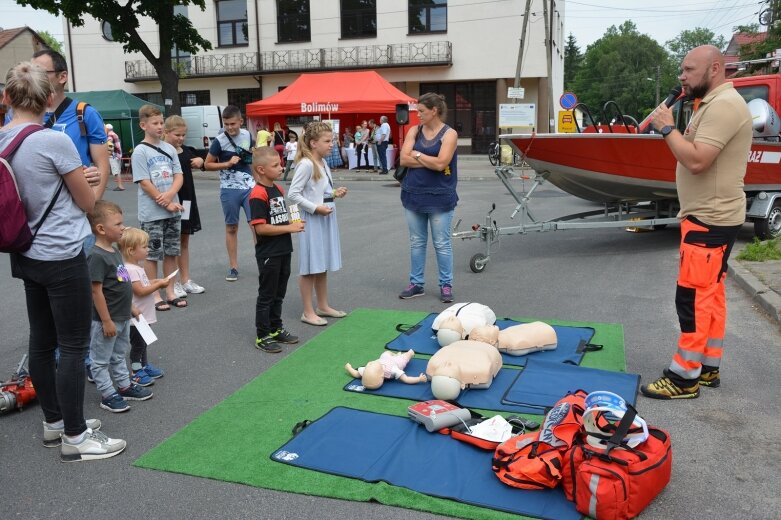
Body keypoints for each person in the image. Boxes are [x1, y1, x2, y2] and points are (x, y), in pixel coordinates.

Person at [2, 61, 125, 462]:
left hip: (25, 251)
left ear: (8, 97)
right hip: (62, 252)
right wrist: (89, 182)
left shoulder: (4, 137)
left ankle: (55, 422)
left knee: (42, 341)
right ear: (48, 97)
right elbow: (88, 204)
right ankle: (75, 436)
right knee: (73, 346)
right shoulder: (53, 140)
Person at [642, 45, 753, 400]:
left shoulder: (722, 106)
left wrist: (665, 128)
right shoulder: (709, 103)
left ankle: (684, 376)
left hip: (710, 218)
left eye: (689, 70)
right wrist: (672, 128)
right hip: (712, 215)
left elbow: (698, 161)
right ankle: (707, 365)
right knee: (710, 295)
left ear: (715, 69)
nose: (682, 77)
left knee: (691, 298)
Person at [87, 200, 153, 412]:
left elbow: (123, 280)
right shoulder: (96, 256)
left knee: (118, 354)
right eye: (118, 224)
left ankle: (124, 386)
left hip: (123, 316)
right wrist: (106, 320)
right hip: (107, 319)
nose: (123, 227)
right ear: (101, 229)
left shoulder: (115, 252)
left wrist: (132, 307)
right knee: (100, 360)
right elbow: (96, 290)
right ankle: (108, 394)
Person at [398, 92, 458, 303]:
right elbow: (404, 159)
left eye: (421, 111)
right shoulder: (414, 130)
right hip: (413, 194)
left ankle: (446, 285)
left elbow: (442, 164)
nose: (417, 115)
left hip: (440, 196)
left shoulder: (449, 134)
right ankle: (416, 283)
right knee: (417, 242)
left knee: (442, 243)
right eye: (416, 111)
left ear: (434, 111)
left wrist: (417, 154)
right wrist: (427, 159)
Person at [288, 122, 349, 326]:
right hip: (311, 220)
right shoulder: (306, 164)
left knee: (320, 263)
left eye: (331, 140)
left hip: (324, 217)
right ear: (314, 143)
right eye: (327, 141)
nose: (332, 144)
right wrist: (315, 208)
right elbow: (293, 195)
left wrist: (332, 194)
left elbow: (317, 191)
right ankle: (308, 311)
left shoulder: (323, 163)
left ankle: (323, 305)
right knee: (309, 266)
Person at [249, 147, 306, 353]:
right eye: (276, 165)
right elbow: (260, 227)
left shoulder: (278, 189)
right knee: (267, 294)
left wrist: (293, 222)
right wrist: (289, 227)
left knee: (279, 293)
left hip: (283, 249)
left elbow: (277, 219)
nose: (281, 167)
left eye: (280, 163)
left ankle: (275, 328)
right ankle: (262, 335)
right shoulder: (258, 193)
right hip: (268, 253)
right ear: (261, 169)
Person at [131, 105, 185, 310]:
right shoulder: (140, 151)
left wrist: (171, 195)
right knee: (152, 254)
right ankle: (154, 294)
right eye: (155, 123)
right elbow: (144, 182)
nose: (160, 126)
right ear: (143, 125)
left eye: (161, 122)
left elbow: (178, 175)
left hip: (172, 208)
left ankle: (170, 290)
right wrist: (166, 202)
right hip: (152, 213)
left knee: (171, 252)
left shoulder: (170, 148)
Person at [205, 105, 256, 282]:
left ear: (241, 121)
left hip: (249, 186)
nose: (230, 127)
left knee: (256, 225)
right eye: (226, 124)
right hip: (229, 189)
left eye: (233, 123)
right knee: (232, 227)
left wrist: (260, 184)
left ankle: (263, 263)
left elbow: (253, 160)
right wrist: (226, 164)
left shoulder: (248, 135)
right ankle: (233, 267)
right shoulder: (219, 140)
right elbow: (207, 164)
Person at [118, 227, 169, 386]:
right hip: (136, 316)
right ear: (132, 250)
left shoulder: (130, 268)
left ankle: (144, 365)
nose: (148, 249)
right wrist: (159, 285)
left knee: (143, 342)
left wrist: (155, 281)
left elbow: (138, 286)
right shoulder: (130, 269)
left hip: (141, 315)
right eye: (144, 247)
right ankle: (136, 371)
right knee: (138, 344)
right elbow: (139, 291)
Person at [163, 115, 206, 296]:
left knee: (184, 240)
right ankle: (172, 283)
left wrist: (201, 161)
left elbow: (204, 158)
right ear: (166, 133)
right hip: (171, 199)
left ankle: (185, 279)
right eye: (177, 135)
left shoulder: (187, 151)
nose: (180, 138)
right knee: (171, 243)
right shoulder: (162, 151)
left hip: (186, 200)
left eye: (183, 135)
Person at [344, 349, 427, 390]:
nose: (370, 363)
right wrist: (419, 379)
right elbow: (406, 379)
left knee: (386, 353)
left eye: (370, 364)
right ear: (382, 375)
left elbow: (355, 374)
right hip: (395, 362)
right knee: (404, 358)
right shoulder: (393, 370)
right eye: (371, 364)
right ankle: (410, 353)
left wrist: (349, 368)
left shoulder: (368, 370)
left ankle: (395, 354)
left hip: (384, 359)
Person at [105, 124, 125, 191]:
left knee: (115, 171)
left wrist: (108, 152)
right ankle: (104, 185)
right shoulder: (114, 134)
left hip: (113, 155)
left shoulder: (110, 135)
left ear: (107, 129)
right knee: (116, 170)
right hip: (117, 155)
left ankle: (120, 186)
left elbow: (110, 145)